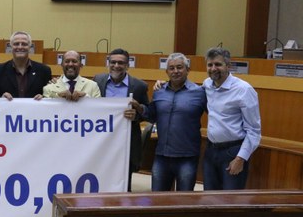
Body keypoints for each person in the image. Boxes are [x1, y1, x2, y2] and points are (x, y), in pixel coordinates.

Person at [134, 53, 207, 191]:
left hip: (187, 156)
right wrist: (139, 107)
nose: (175, 71)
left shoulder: (200, 93)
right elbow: (151, 116)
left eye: (179, 67)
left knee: (184, 199)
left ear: (188, 70)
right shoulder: (159, 91)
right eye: (171, 68)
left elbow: (214, 114)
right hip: (162, 155)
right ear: (166, 72)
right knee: (158, 198)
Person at [202, 47, 261, 190]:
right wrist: (163, 84)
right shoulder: (207, 85)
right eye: (210, 65)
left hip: (233, 153)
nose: (213, 68)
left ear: (228, 66)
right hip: (211, 151)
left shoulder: (244, 90)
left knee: (231, 199)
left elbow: (254, 130)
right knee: (209, 197)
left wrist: (241, 158)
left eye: (218, 64)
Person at [93, 48, 149, 191]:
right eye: (113, 62)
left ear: (127, 65)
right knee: (100, 179)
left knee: (124, 185)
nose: (116, 66)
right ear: (108, 63)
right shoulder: (98, 80)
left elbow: (147, 112)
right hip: (102, 141)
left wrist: (137, 114)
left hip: (126, 143)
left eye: (121, 63)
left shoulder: (139, 86)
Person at [0, 31, 52, 99]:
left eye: (24, 44)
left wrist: (44, 98)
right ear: (11, 47)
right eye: (16, 44)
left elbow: (49, 96)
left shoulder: (44, 71)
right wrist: (1, 99)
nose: (20, 47)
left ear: (30, 47)